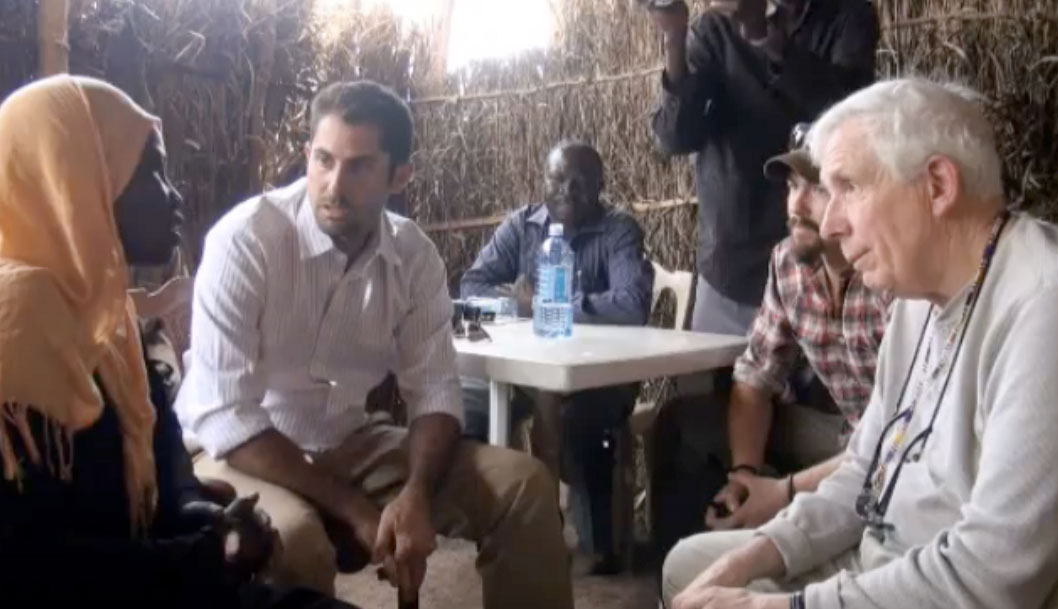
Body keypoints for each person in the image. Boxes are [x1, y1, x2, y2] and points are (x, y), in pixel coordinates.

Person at [662, 77, 1058, 609]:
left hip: (964, 586)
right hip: (885, 552)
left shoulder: (1054, 298)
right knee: (691, 569)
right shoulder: (915, 300)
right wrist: (752, 557)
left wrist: (782, 606)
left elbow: (993, 574)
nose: (831, 222)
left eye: (848, 188)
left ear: (937, 186)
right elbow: (865, 471)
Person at [176, 80, 573, 609]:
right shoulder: (246, 242)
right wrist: (356, 509)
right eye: (323, 160)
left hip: (349, 439)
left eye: (359, 166)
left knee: (524, 486)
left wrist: (415, 491)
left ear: (399, 176)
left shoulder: (414, 257)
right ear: (307, 156)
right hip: (237, 451)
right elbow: (227, 416)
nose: (333, 185)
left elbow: (434, 391)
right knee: (296, 544)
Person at [0, 75, 355, 609]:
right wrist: (204, 554)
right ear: (75, 180)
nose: (174, 196)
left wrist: (194, 510)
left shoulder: (102, 313)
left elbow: (161, 453)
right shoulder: (19, 323)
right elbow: (29, 564)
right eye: (151, 174)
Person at [459, 140, 654, 573]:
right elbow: (472, 287)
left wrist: (557, 304)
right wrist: (518, 305)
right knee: (464, 406)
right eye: (556, 178)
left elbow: (632, 305)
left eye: (580, 182)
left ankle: (598, 541)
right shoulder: (523, 226)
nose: (567, 189)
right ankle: (507, 523)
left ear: (600, 187)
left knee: (585, 420)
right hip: (529, 373)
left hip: (598, 375)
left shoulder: (619, 230)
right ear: (542, 180)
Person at [646, 0, 879, 335]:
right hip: (730, 270)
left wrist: (761, 36)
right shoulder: (714, 29)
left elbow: (847, 120)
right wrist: (674, 37)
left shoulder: (847, 15)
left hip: (817, 262)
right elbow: (674, 138)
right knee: (714, 388)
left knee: (811, 386)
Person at [704, 123, 892, 533]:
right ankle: (697, 579)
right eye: (792, 185)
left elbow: (907, 428)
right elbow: (755, 378)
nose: (796, 204)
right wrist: (745, 474)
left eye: (817, 188)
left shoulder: (891, 272)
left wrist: (785, 491)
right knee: (685, 426)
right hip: (839, 435)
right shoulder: (788, 263)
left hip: (896, 447)